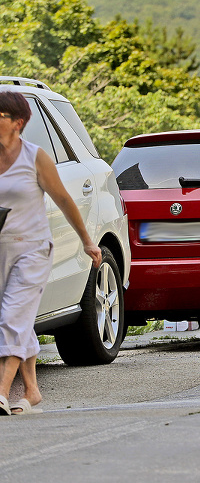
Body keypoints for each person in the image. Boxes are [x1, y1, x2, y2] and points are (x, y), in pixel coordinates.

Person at [0, 91, 102, 416]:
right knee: (18, 317)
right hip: (1, 251)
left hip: (32, 249)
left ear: (18, 123)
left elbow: (63, 200)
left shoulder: (35, 157)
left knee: (11, 316)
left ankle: (1, 392)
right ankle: (31, 391)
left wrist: (87, 240)